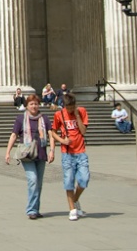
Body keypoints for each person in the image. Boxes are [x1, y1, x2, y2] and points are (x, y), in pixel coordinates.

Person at [5, 95, 54, 220]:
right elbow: (14, 135)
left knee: (38, 184)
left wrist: (52, 151)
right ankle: (31, 210)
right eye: (31, 104)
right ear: (27, 105)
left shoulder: (44, 118)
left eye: (36, 104)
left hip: (41, 153)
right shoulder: (21, 118)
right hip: (27, 155)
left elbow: (51, 134)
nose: (34, 106)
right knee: (33, 179)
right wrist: (8, 152)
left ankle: (36, 209)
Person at [50, 92, 89, 221]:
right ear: (64, 106)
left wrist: (77, 116)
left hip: (80, 151)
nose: (71, 110)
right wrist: (61, 141)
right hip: (67, 153)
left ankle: (75, 199)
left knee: (84, 179)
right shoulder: (59, 115)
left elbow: (83, 131)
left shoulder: (81, 111)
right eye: (69, 108)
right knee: (69, 181)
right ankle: (72, 209)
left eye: (72, 107)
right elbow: (53, 132)